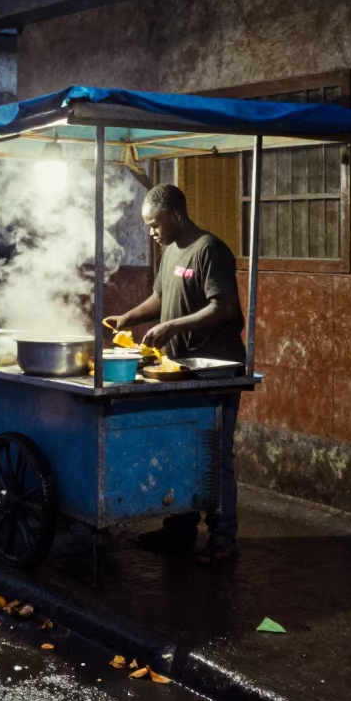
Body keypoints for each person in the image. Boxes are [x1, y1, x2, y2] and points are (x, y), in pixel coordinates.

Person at [104, 183, 246, 563]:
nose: (151, 232)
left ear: (176, 216)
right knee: (179, 450)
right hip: (181, 369)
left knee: (215, 456)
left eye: (154, 224)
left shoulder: (209, 250)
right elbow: (161, 297)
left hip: (215, 368)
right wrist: (129, 317)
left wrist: (173, 327)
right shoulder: (169, 252)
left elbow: (225, 307)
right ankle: (179, 531)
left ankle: (224, 539)